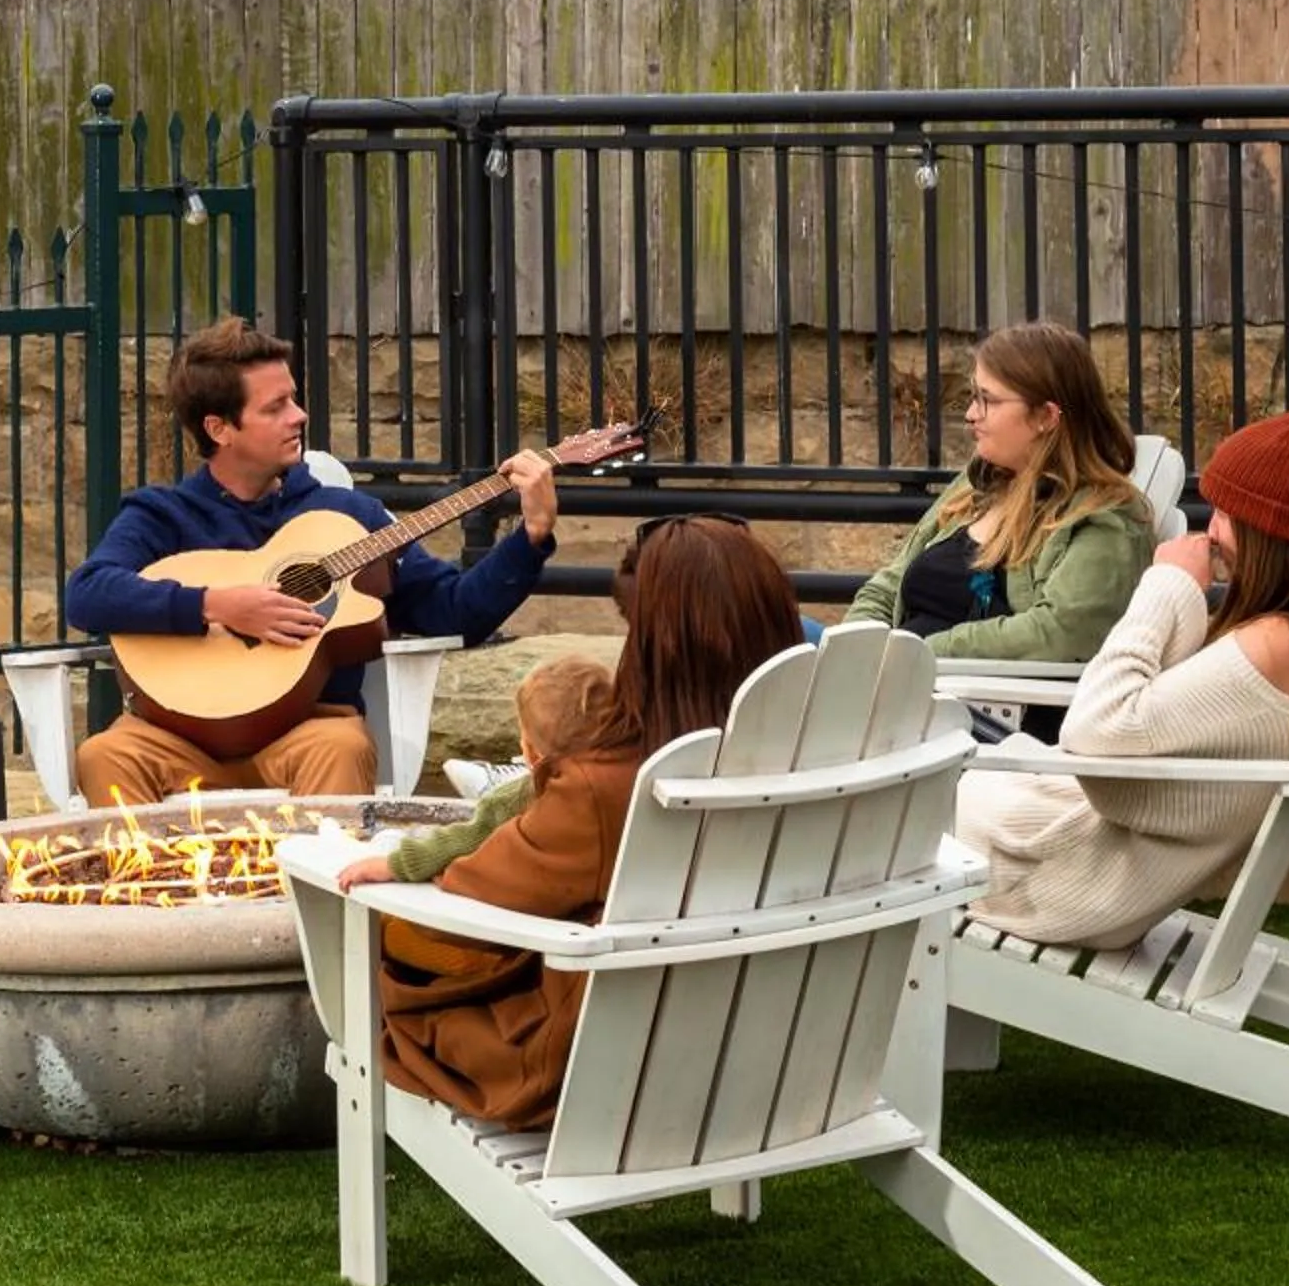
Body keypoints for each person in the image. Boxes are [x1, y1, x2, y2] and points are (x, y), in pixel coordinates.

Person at [334, 517, 807, 1127]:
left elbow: (478, 890)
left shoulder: (604, 785)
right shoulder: (805, 758)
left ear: (653, 644)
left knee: (393, 937)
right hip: (768, 1049)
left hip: (595, 1066)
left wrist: (407, 869)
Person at [63, 317, 630, 808]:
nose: (300, 415)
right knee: (105, 754)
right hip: (175, 738)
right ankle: (161, 925)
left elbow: (452, 611)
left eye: (294, 397)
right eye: (276, 406)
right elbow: (88, 593)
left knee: (345, 746)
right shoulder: (162, 515)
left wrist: (530, 536)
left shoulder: (349, 516)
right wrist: (219, 605)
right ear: (219, 428)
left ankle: (314, 926)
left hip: (307, 733)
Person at [955, 410, 1289, 951]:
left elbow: (1091, 732)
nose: (1214, 532)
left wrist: (1166, 584)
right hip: (1083, 862)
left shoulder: (1275, 648)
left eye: (1226, 515)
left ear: (1268, 534)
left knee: (876, 784)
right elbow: (1161, 715)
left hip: (1057, 882)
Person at [847, 322, 1154, 666]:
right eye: (973, 397)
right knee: (786, 638)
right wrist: (858, 647)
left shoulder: (1103, 517)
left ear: (1046, 416)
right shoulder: (976, 486)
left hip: (971, 705)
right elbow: (887, 585)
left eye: (987, 400)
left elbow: (1063, 632)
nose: (970, 414)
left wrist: (918, 654)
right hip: (894, 681)